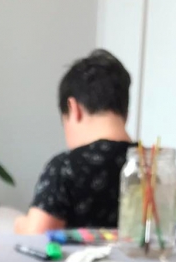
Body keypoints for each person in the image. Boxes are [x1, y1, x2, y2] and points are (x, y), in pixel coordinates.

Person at [15, 49, 134, 235]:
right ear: (125, 112)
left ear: (73, 108)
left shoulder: (65, 168)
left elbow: (36, 237)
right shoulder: (153, 167)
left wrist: (20, 224)